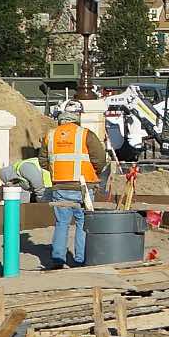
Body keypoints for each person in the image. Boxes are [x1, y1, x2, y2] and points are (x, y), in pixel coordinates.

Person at [44, 105, 98, 270]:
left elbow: (42, 160)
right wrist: (93, 172)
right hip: (82, 187)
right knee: (83, 223)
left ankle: (58, 259)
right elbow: (99, 158)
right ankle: (80, 260)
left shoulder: (50, 135)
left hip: (60, 186)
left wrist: (57, 172)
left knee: (61, 223)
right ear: (77, 120)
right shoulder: (85, 134)